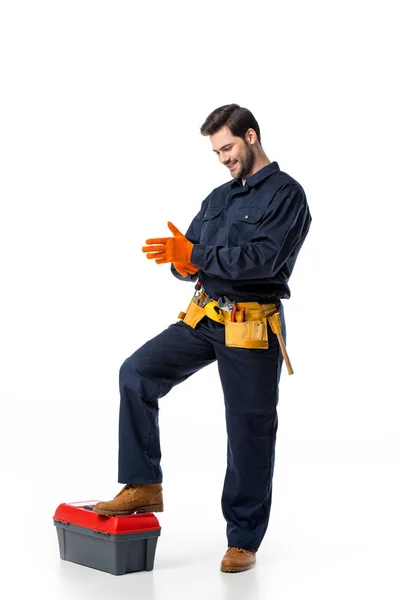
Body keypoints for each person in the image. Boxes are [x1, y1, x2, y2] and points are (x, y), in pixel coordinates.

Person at [94, 103, 312, 573]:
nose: (223, 159)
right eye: (216, 152)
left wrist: (197, 253)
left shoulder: (287, 195)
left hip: (250, 327)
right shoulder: (218, 197)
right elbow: (189, 258)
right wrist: (180, 260)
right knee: (136, 373)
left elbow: (263, 259)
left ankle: (243, 539)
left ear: (251, 137)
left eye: (228, 148)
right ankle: (143, 483)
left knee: (248, 432)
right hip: (205, 318)